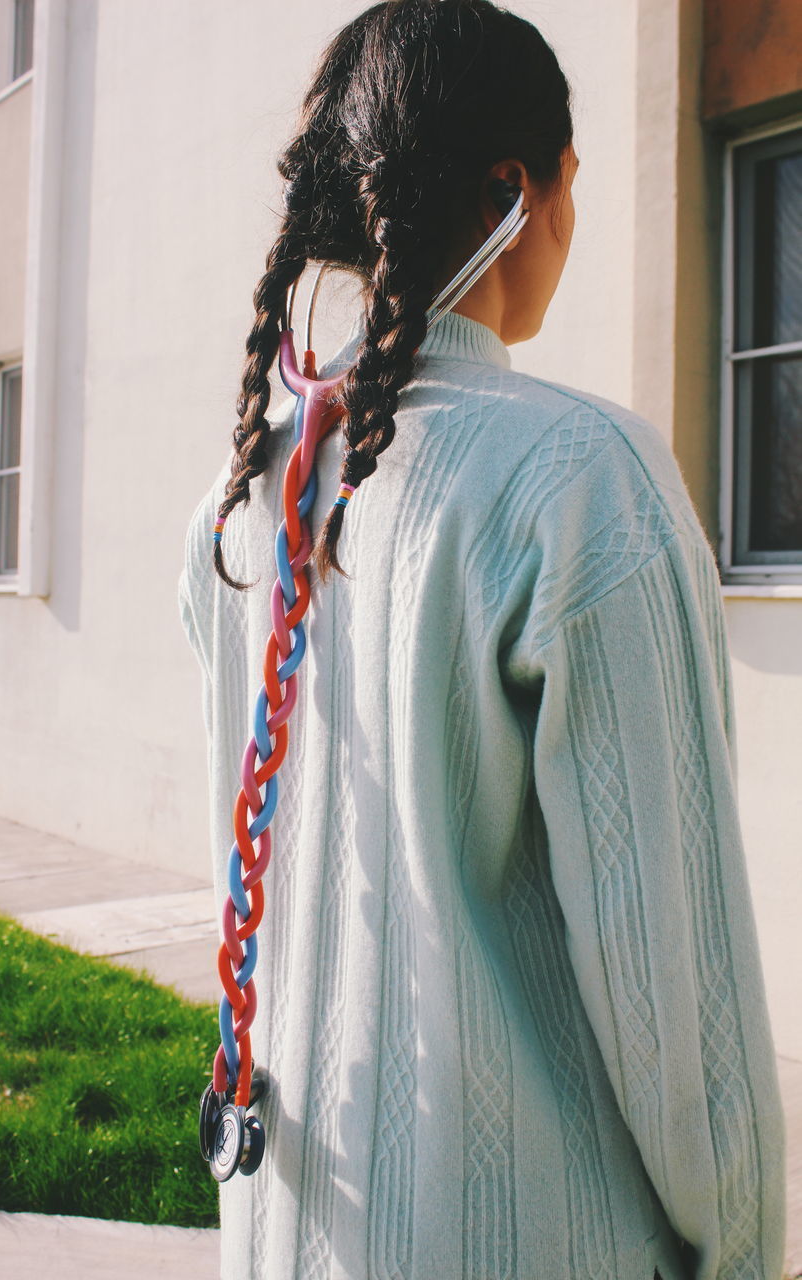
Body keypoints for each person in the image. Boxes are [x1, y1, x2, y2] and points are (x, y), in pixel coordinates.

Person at [177, 2, 787, 1277]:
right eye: (573, 187)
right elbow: (674, 989)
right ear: (522, 191)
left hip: (288, 1224)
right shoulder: (579, 479)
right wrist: (741, 1246)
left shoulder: (237, 510)